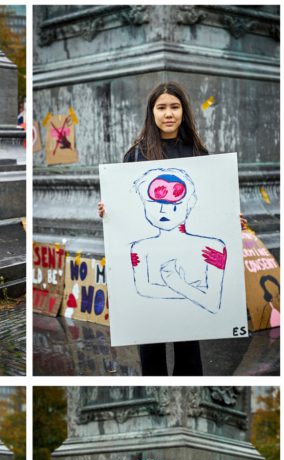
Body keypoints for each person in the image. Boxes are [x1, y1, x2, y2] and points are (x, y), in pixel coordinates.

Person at [97, 82, 247, 375]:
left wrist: (229, 219)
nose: (168, 114)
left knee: (189, 357)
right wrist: (108, 210)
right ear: (151, 112)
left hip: (189, 307)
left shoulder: (199, 153)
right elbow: (143, 286)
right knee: (150, 358)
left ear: (183, 111)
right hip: (153, 309)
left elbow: (213, 202)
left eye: (174, 107)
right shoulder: (136, 155)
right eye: (161, 107)